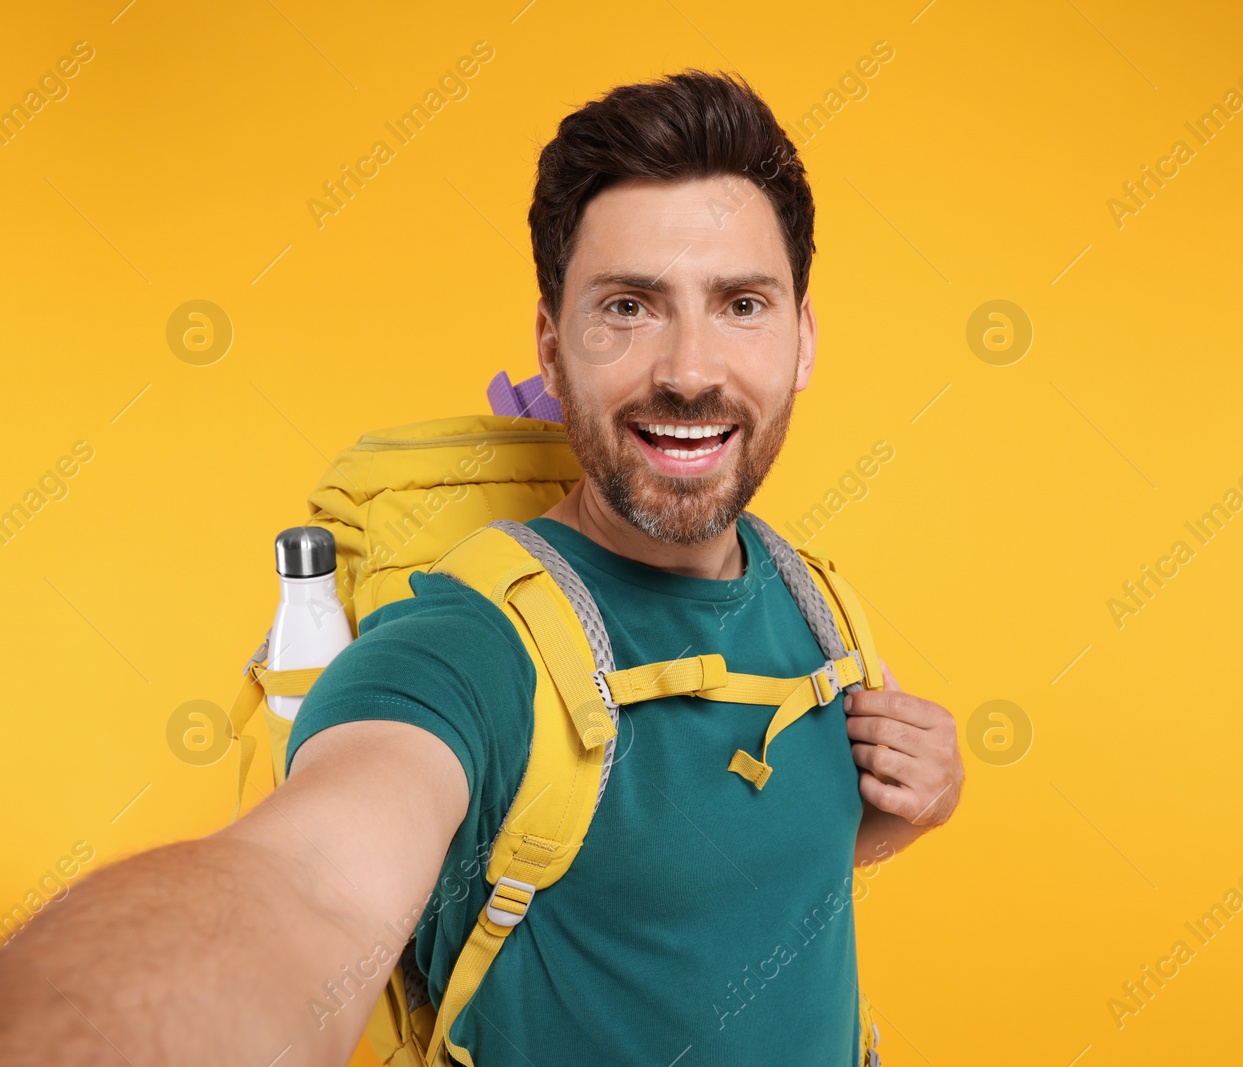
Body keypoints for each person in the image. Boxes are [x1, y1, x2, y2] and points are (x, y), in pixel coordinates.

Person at [0, 69, 963, 1066]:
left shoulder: (815, 600)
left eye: (741, 303)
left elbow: (705, 881)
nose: (687, 367)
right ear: (552, 347)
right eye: (628, 306)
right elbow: (308, 886)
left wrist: (913, 801)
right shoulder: (467, 647)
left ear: (801, 339)